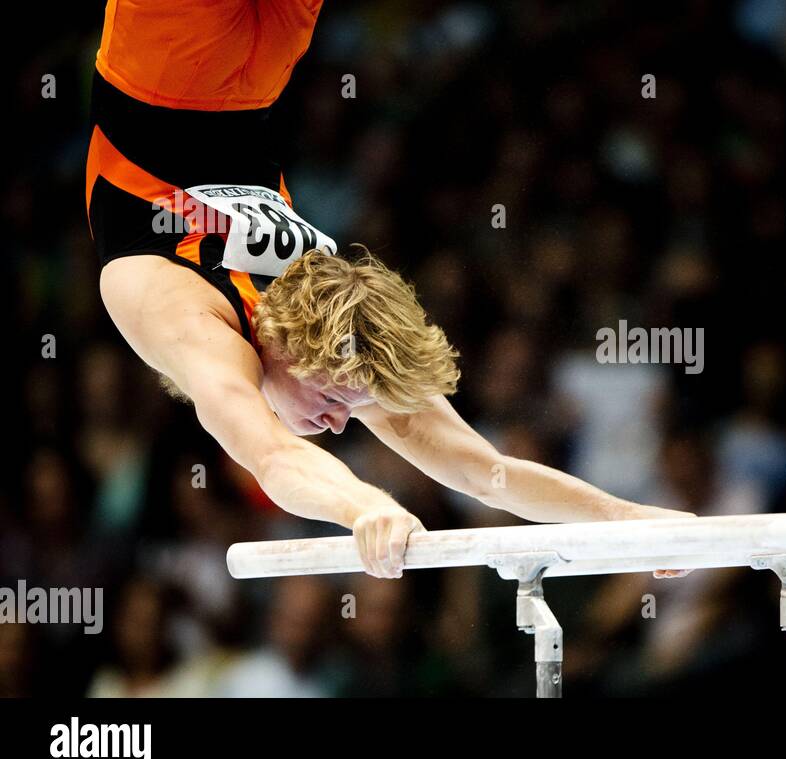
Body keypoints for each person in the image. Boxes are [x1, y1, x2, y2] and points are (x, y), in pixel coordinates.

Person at [87, 0, 692, 578]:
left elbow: (478, 469)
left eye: (340, 402)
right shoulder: (315, 340)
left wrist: (630, 521)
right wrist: (363, 506)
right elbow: (476, 470)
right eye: (341, 402)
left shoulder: (190, 313)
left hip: (185, 59)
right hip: (228, 74)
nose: (340, 423)